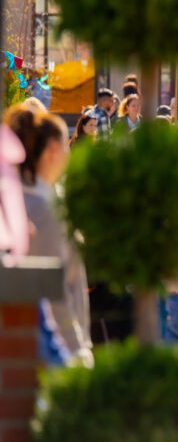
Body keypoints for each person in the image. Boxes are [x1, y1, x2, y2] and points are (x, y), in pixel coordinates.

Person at [4, 104, 92, 366]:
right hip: (52, 346)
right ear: (53, 150)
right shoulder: (46, 209)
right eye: (66, 146)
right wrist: (78, 350)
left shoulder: (19, 198)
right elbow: (56, 291)